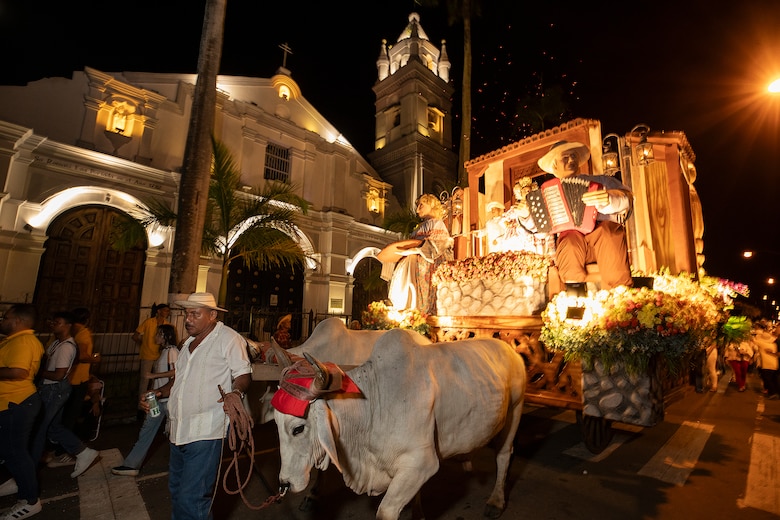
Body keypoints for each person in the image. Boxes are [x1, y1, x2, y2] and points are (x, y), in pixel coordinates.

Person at [145, 292, 251, 519]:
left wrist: (236, 392)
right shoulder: (187, 345)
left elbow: (243, 374)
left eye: (195, 314)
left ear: (212, 315)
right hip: (178, 431)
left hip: (206, 432)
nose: (188, 319)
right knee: (177, 492)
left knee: (192, 498)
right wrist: (160, 391)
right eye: (186, 314)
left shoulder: (229, 338)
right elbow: (179, 378)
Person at [525, 140, 633, 290]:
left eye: (574, 157)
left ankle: (620, 296)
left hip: (603, 239)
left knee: (608, 232)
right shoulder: (545, 193)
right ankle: (573, 295)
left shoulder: (601, 181)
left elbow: (627, 198)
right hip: (573, 244)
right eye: (565, 157)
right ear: (555, 165)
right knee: (569, 241)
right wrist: (525, 216)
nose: (571, 160)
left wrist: (608, 199)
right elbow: (540, 229)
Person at [31, 311, 99, 479]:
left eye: (58, 322)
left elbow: (59, 375)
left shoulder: (68, 346)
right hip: (52, 388)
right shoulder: (56, 343)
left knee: (40, 428)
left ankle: (27, 470)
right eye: (52, 321)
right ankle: (83, 452)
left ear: (69, 325)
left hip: (55, 389)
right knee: (53, 426)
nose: (53, 324)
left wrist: (38, 373)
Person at [112, 324, 179, 476]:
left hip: (168, 399)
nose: (155, 337)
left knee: (173, 433)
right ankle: (131, 465)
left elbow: (177, 372)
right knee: (146, 431)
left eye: (158, 334)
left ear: (165, 336)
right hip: (157, 399)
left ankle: (181, 466)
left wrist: (153, 377)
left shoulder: (172, 351)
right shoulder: (164, 352)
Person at [0, 304, 44, 519]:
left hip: (16, 403)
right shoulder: (15, 340)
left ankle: (30, 500)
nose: (2, 319)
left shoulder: (24, 341)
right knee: (9, 450)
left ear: (17, 320)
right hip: (11, 403)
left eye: (5, 316)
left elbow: (18, 371)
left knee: (15, 451)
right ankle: (15, 483)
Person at [384, 194, 454, 315]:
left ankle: (421, 311)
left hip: (426, 266)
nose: (417, 210)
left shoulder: (437, 223)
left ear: (431, 205)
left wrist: (414, 250)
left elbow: (438, 246)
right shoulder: (420, 227)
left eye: (421, 205)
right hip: (412, 265)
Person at [49, 306, 96, 467]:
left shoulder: (63, 334)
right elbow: (83, 356)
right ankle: (62, 452)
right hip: (76, 379)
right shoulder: (82, 333)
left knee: (57, 417)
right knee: (69, 418)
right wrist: (95, 359)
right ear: (87, 319)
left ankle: (55, 449)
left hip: (62, 381)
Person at [501, 177, 554, 256]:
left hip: (536, 242)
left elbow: (544, 231)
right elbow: (503, 221)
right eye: (524, 191)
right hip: (520, 243)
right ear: (520, 193)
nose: (527, 192)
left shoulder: (539, 206)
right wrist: (508, 223)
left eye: (529, 190)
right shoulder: (515, 208)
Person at [132, 303, 171, 401]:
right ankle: (141, 407)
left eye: (168, 311)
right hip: (147, 355)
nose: (167, 312)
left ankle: (153, 403)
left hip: (160, 356)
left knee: (156, 381)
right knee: (144, 381)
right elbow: (135, 336)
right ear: (158, 311)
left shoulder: (167, 325)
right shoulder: (149, 322)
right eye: (165, 310)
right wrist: (144, 343)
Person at [753, 322, 779, 399]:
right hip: (774, 365)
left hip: (766, 365)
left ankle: (772, 393)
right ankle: (774, 392)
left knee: (767, 379)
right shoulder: (774, 345)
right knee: (773, 379)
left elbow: (754, 341)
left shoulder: (761, 343)